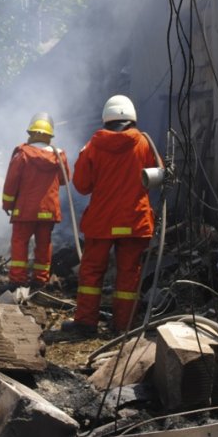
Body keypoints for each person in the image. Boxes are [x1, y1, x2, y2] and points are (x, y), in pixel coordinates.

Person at [62, 95, 156, 337]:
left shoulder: (93, 146)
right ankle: (124, 326)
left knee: (92, 271)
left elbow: (82, 185)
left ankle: (85, 324)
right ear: (131, 118)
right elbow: (155, 176)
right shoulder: (144, 143)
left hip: (102, 222)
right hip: (134, 220)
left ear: (106, 119)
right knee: (129, 273)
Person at [2, 113, 70, 290]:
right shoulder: (59, 155)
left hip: (25, 210)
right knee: (44, 244)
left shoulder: (22, 154)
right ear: (49, 136)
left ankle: (17, 281)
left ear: (31, 133)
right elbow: (64, 180)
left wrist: (7, 204)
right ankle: (40, 280)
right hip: (48, 210)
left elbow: (11, 182)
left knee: (19, 243)